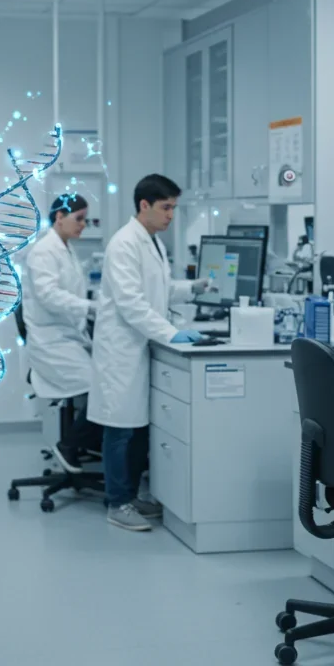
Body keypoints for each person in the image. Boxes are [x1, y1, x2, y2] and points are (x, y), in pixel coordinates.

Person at [89, 174, 208, 531]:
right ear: (145, 205)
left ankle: (129, 495)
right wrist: (171, 333)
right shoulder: (124, 244)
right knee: (120, 430)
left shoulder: (151, 241)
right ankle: (117, 503)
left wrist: (193, 288)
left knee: (136, 430)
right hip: (121, 350)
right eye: (166, 207)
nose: (171, 215)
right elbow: (131, 303)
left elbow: (159, 288)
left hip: (139, 347)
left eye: (174, 208)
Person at [22, 193, 98, 472]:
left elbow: (68, 288)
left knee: (106, 384)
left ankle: (84, 444)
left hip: (67, 337)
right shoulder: (44, 251)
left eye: (85, 220)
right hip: (51, 343)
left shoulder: (64, 248)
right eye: (79, 219)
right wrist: (89, 307)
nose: (83, 225)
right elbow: (49, 295)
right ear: (59, 217)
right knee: (102, 389)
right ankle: (69, 445)